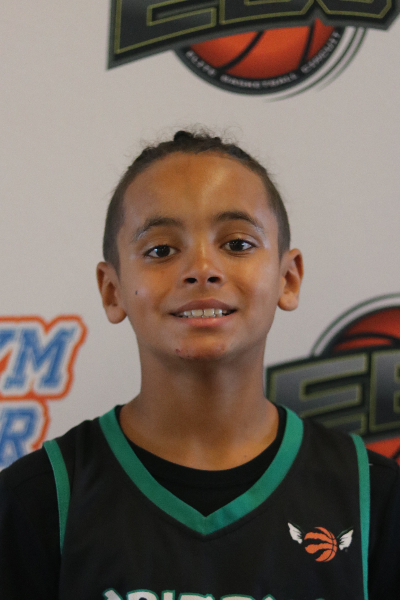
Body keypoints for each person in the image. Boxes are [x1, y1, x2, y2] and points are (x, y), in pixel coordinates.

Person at [0, 130, 399, 600]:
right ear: (112, 290)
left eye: (238, 244)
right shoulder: (36, 502)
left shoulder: (375, 500)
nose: (203, 268)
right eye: (161, 250)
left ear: (288, 278)